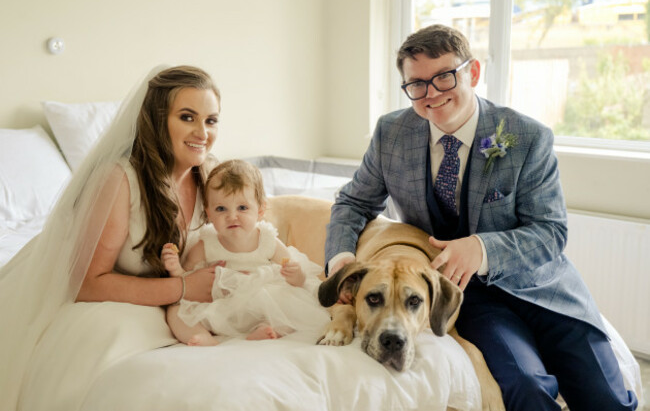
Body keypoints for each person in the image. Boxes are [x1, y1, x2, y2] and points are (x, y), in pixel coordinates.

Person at [324, 24, 638, 411]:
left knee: (603, 397)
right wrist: (340, 262)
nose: (432, 94)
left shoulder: (526, 137)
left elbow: (551, 232)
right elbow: (353, 202)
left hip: (545, 290)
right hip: (473, 299)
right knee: (525, 386)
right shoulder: (392, 133)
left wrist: (480, 248)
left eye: (444, 77)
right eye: (417, 84)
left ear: (471, 73)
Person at [0, 65, 221, 410]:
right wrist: (183, 288)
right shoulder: (119, 179)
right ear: (158, 119)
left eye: (211, 120)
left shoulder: (210, 176)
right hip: (85, 294)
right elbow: (87, 283)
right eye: (188, 117)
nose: (202, 133)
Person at [162, 159, 329, 346]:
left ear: (260, 210)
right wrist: (175, 268)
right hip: (222, 305)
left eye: (242, 208)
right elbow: (187, 279)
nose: (232, 216)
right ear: (209, 213)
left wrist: (295, 275)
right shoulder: (207, 243)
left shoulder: (266, 239)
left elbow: (296, 277)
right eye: (221, 208)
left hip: (260, 304)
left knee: (293, 308)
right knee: (176, 311)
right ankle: (203, 336)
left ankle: (266, 329)